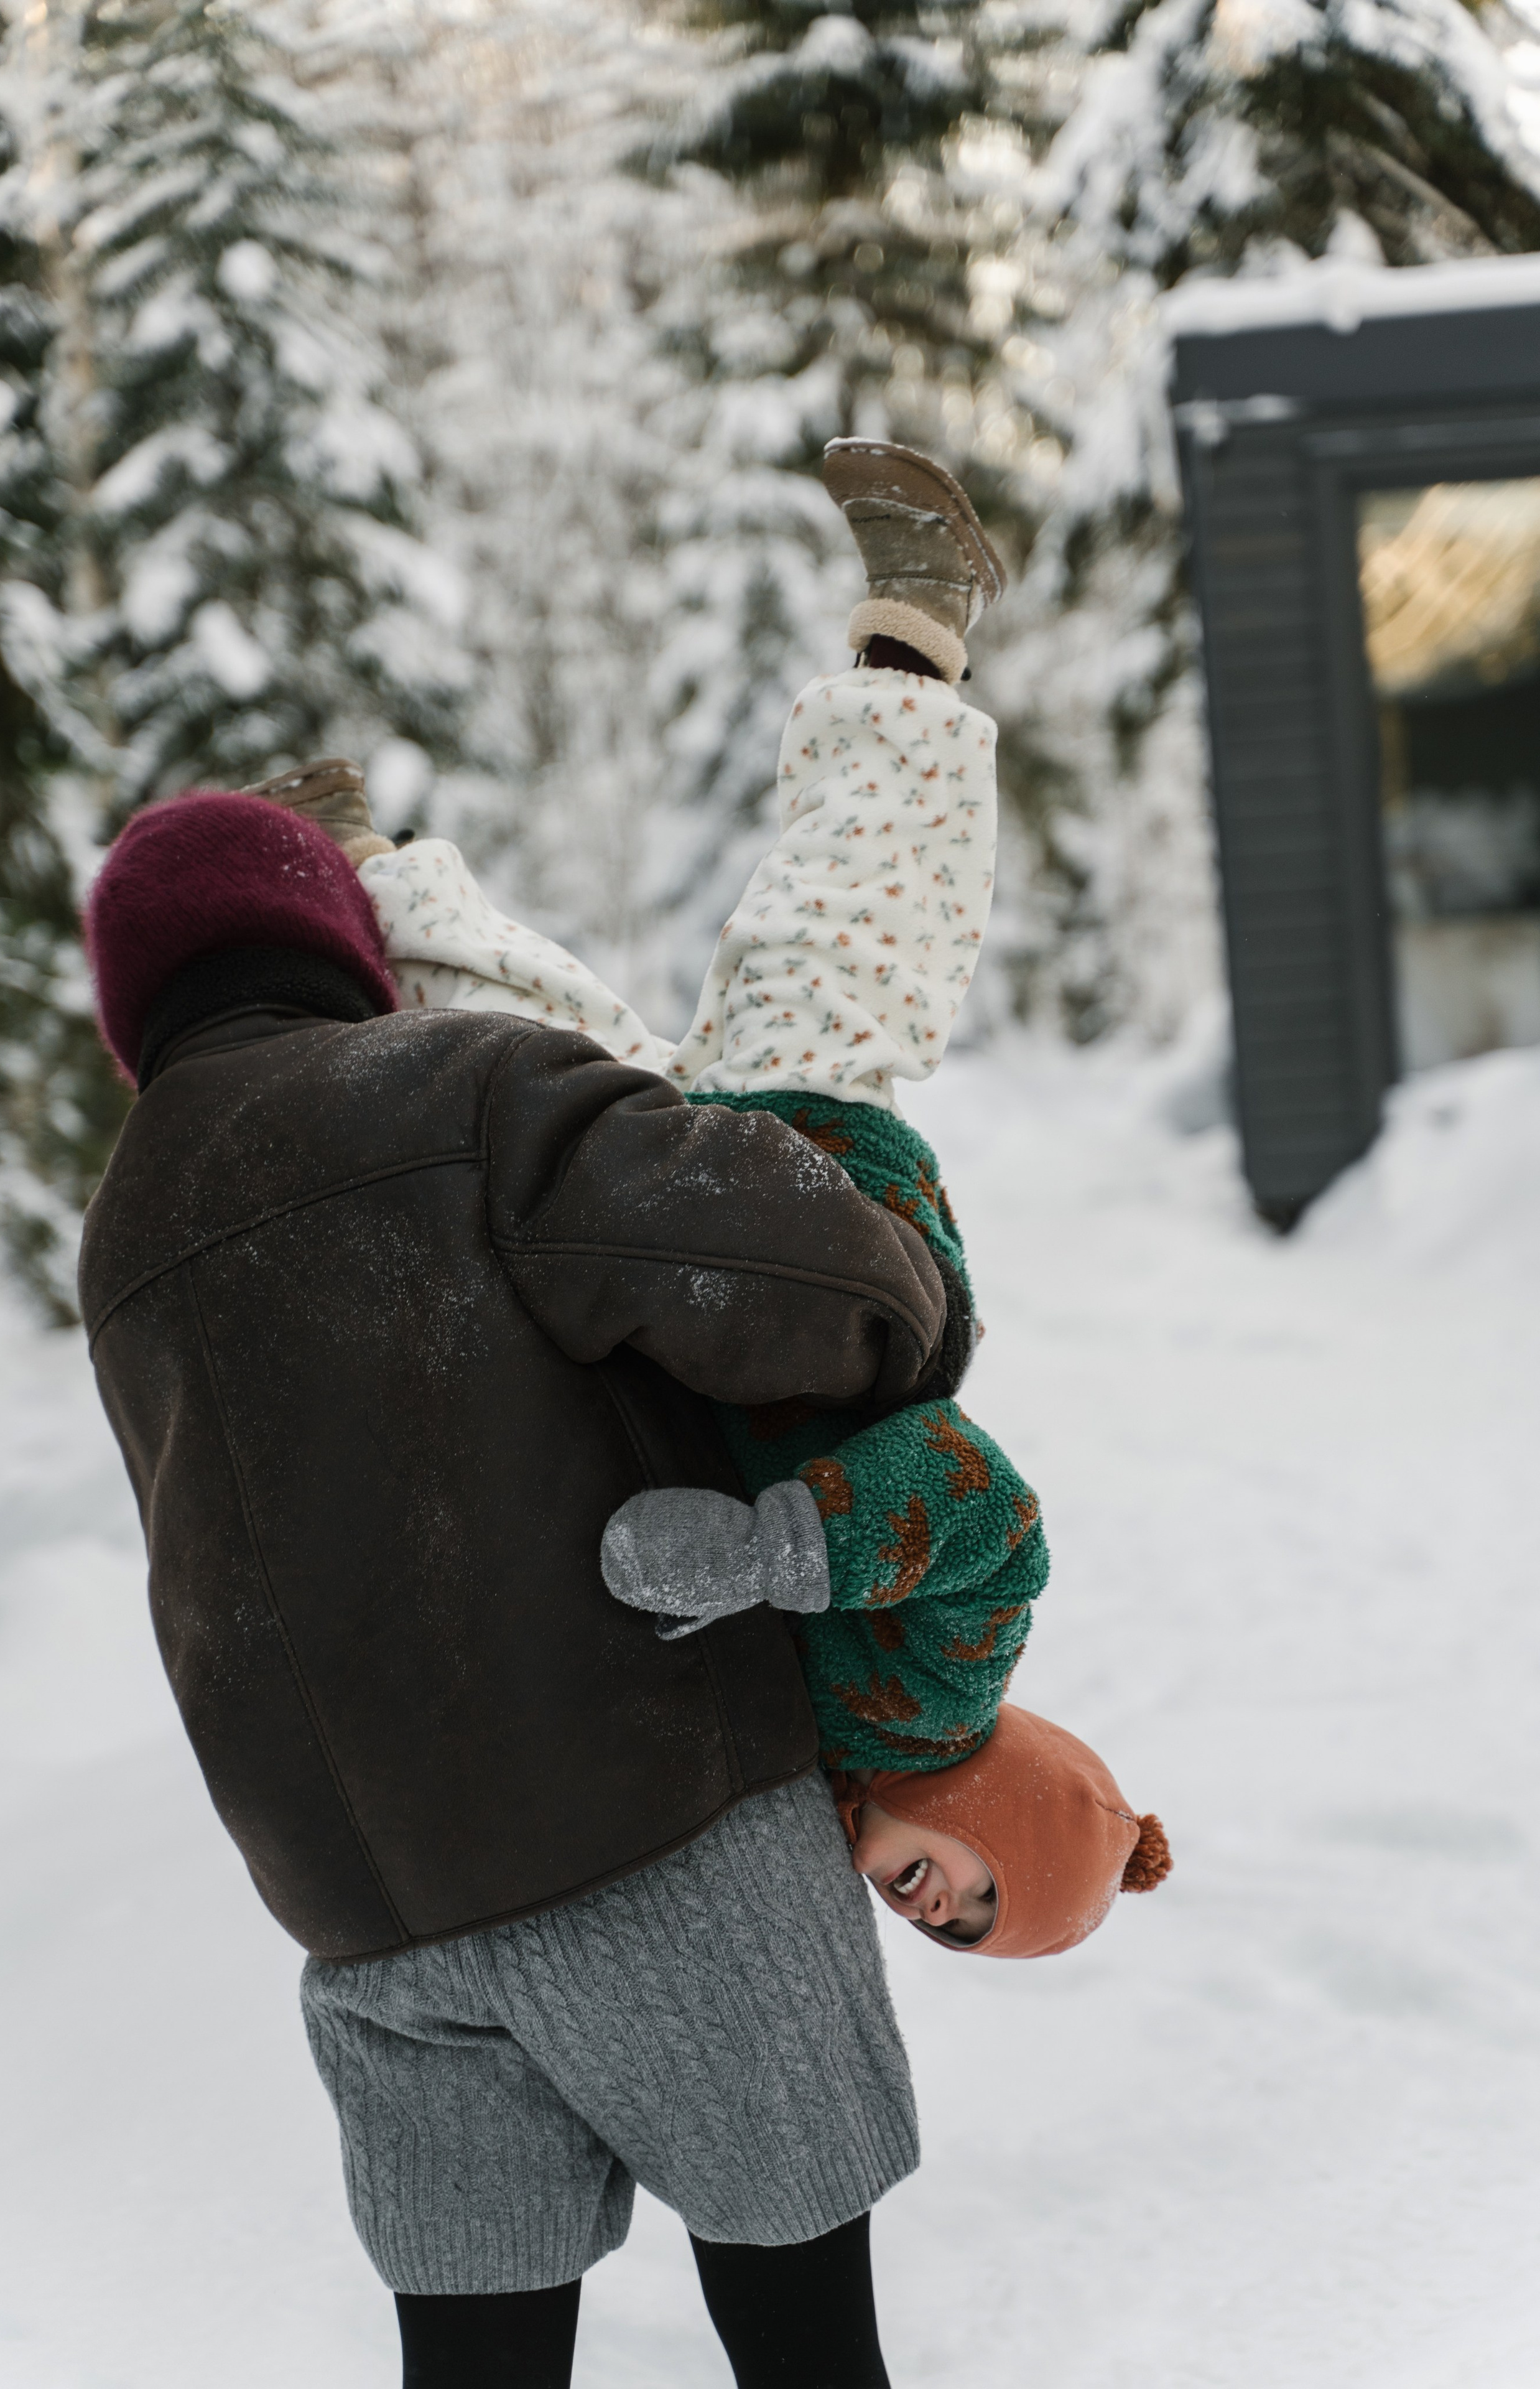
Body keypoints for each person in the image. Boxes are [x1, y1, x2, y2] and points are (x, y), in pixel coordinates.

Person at [79, 781, 966, 2387]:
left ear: (128, 1009)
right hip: (656, 1831)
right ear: (347, 944)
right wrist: (910, 1298)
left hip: (371, 1928)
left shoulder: (123, 1230)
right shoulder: (459, 1085)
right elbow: (796, 1277)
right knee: (805, 2341)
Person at [248, 442, 1171, 1959]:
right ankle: (919, 622)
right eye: (983, 1880)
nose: (941, 1902)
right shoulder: (944, 1690)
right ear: (994, 1804)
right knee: (833, 928)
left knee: (502, 1065)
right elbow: (986, 1511)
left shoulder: (809, 1792)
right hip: (807, 1224)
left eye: (957, 1931)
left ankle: (348, 853)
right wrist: (774, 1553)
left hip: (674, 1280)